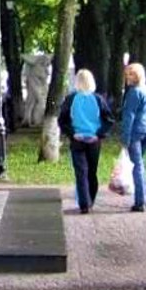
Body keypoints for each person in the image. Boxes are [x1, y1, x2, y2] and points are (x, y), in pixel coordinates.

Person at [57, 69, 114, 213]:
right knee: (92, 172)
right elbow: (109, 120)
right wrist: (99, 134)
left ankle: (84, 203)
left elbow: (62, 120)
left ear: (77, 82)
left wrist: (72, 134)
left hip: (77, 139)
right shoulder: (98, 99)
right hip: (94, 141)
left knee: (81, 172)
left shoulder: (71, 99)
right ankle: (90, 200)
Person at [119, 61, 146, 212]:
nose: (127, 76)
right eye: (127, 73)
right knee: (140, 165)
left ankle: (140, 202)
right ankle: (143, 199)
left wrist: (125, 139)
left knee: (137, 166)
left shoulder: (133, 92)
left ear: (136, 76)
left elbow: (129, 116)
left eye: (130, 74)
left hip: (136, 131)